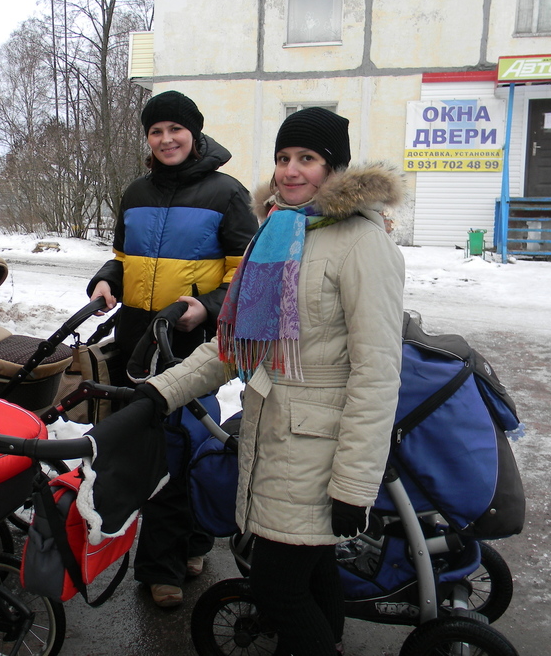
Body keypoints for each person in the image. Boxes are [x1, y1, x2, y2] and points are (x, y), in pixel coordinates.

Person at [130, 107, 406, 654]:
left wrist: (354, 485)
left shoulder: (362, 244)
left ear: (336, 169)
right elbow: (234, 343)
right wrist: (162, 390)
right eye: (283, 158)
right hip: (277, 434)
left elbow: (377, 375)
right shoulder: (279, 231)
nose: (290, 171)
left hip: (320, 451)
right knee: (314, 576)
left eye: (307, 159)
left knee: (277, 589)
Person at [87, 90, 258, 607]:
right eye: (156, 131)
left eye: (175, 130)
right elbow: (122, 257)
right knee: (149, 451)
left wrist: (207, 306)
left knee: (185, 446)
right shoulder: (135, 192)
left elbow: (244, 275)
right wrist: (104, 279)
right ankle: (181, 548)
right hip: (137, 338)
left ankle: (172, 557)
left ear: (194, 134)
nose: (165, 139)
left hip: (191, 344)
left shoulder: (227, 193)